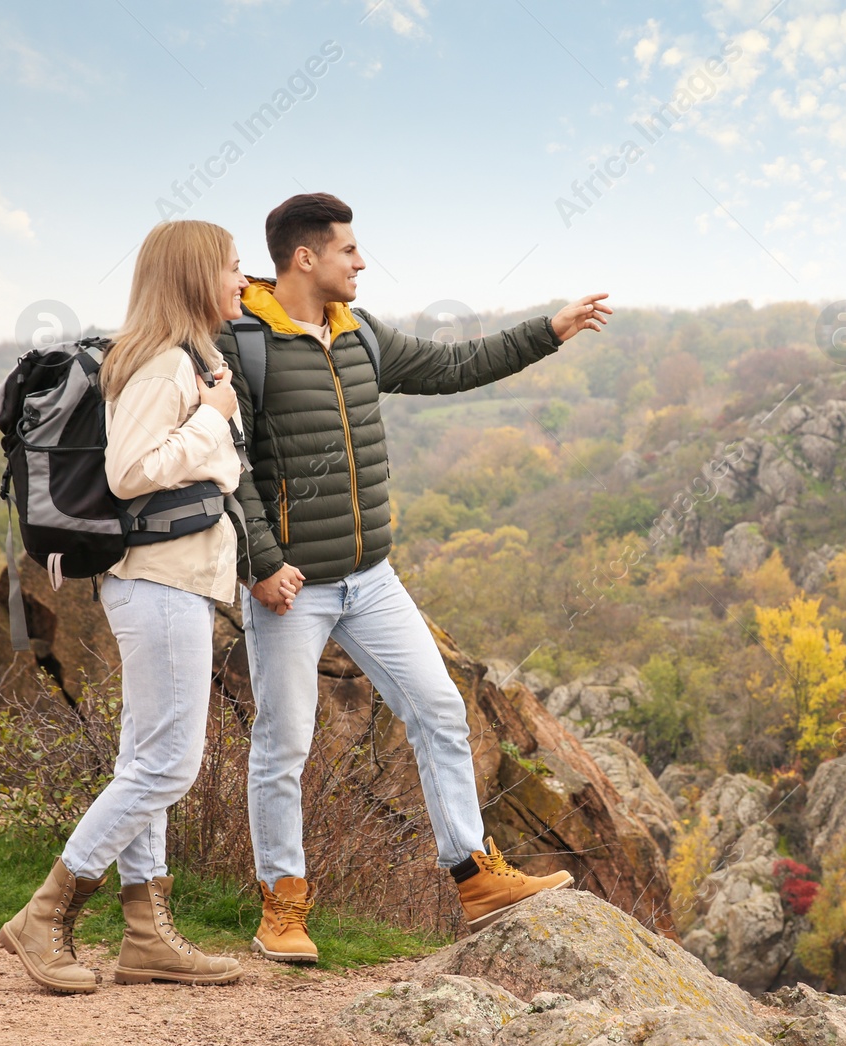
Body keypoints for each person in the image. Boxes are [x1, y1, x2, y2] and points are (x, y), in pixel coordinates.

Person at [221, 192, 610, 961]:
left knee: (438, 707)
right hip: (290, 587)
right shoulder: (243, 345)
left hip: (370, 577)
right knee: (284, 743)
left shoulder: (358, 332)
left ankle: (473, 876)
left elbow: (453, 364)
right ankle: (282, 906)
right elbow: (229, 469)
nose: (361, 261)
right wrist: (260, 565)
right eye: (348, 250)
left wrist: (549, 330)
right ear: (305, 258)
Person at [0, 220, 250, 992]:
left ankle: (146, 935)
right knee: (168, 765)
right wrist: (212, 416)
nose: (245, 280)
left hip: (168, 582)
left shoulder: (186, 361)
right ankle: (45, 913)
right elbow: (132, 470)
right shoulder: (163, 368)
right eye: (234, 268)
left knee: (144, 761)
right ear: (195, 276)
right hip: (160, 581)